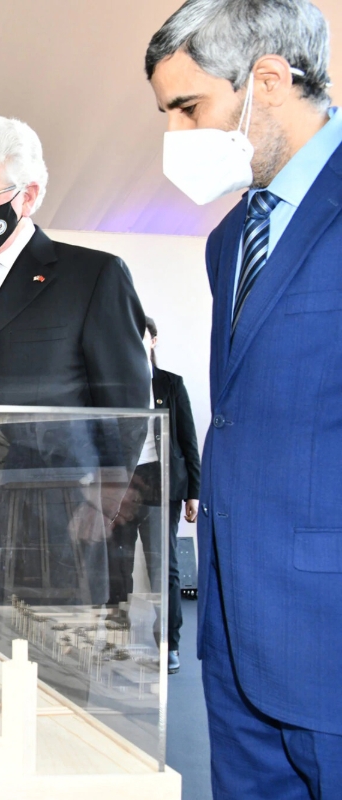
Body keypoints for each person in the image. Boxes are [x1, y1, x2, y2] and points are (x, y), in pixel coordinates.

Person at [147, 1, 342, 794]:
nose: (177, 136)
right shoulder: (229, 239)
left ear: (266, 80)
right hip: (233, 635)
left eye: (189, 109)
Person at [0, 115, 151, 606]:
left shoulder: (92, 277)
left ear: (30, 194)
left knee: (49, 668)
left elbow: (124, 402)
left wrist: (104, 496)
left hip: (57, 516)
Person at [106, 317, 201, 674]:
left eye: (140, 335)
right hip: (123, 488)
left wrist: (194, 491)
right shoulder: (112, 387)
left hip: (163, 486)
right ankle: (118, 638)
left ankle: (169, 643)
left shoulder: (170, 384)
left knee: (165, 568)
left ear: (153, 341)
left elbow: (188, 439)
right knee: (118, 565)